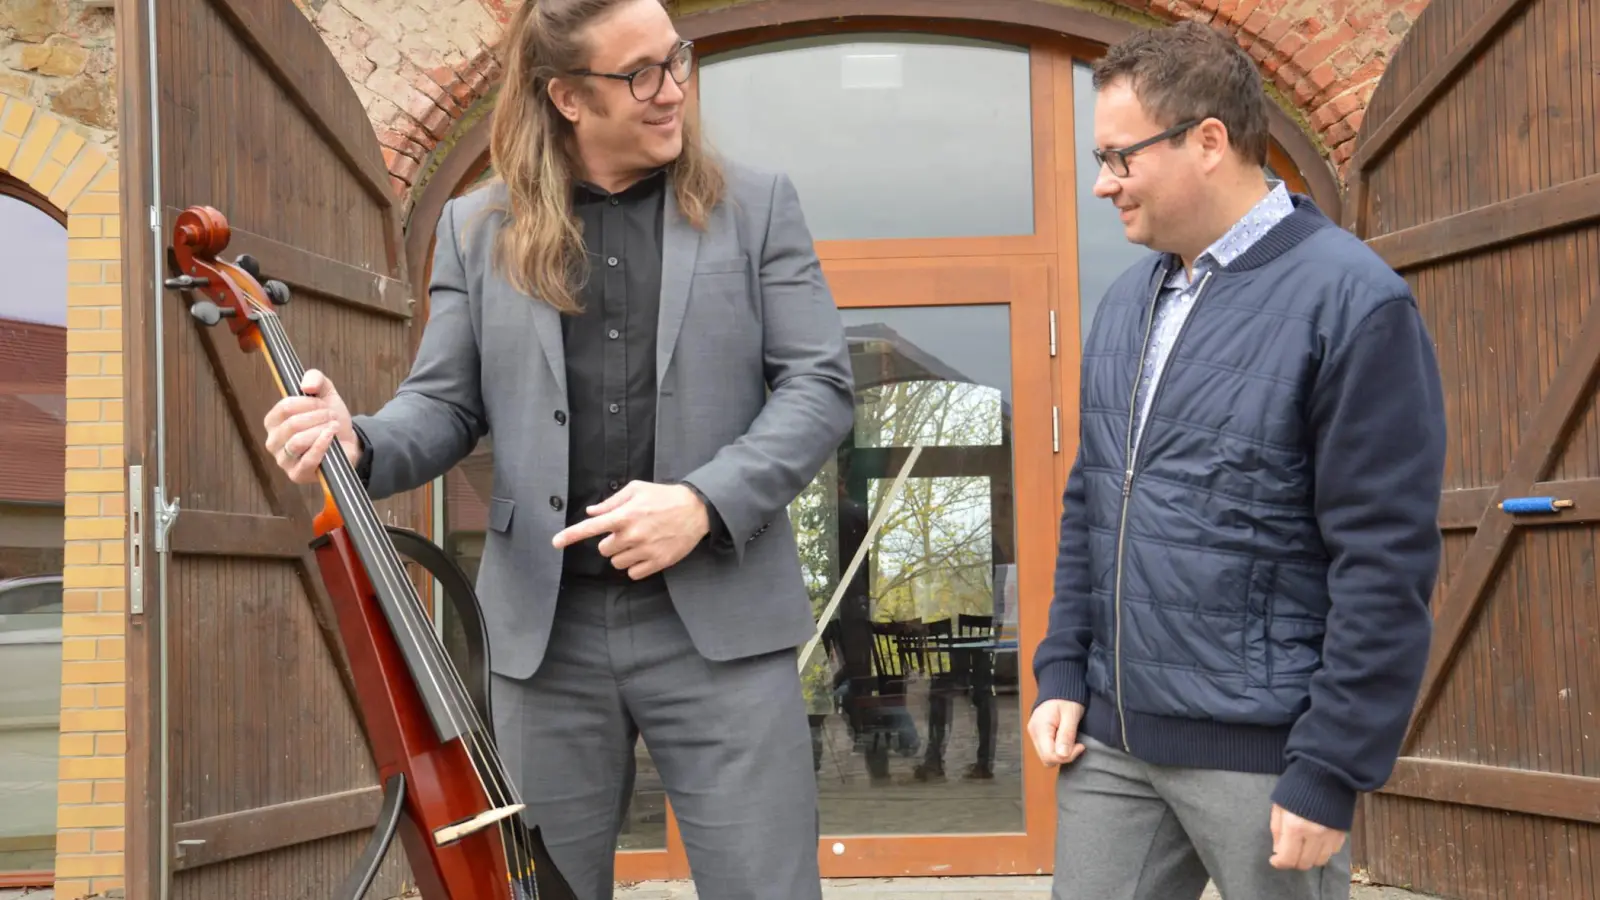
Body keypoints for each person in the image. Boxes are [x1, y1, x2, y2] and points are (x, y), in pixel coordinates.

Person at [261, 1, 855, 897]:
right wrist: (362, 439)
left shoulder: (758, 206)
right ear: (567, 97)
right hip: (545, 640)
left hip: (723, 629)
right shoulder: (474, 227)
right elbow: (445, 405)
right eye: (640, 74)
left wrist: (701, 502)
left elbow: (819, 389)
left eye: (675, 61)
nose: (673, 91)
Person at [1027, 21, 1446, 900]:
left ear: (1208, 141)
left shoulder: (1352, 302)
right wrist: (1064, 667)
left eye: (1118, 156)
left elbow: (1384, 561)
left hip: (1264, 755)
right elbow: (1092, 504)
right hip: (1112, 747)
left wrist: (1331, 766)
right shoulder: (1126, 301)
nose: (1103, 184)